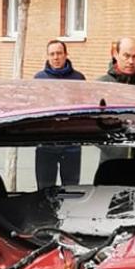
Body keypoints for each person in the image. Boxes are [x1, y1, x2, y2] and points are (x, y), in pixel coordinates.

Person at [33, 40, 87, 188]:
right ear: (47, 56)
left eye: (59, 53)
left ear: (66, 55)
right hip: (46, 143)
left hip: (71, 143)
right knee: (44, 189)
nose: (56, 57)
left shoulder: (78, 78)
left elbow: (83, 108)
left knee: (71, 188)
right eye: (52, 54)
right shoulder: (39, 79)